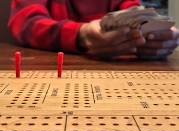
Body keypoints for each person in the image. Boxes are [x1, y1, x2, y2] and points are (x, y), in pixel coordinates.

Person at [8, 0, 179, 60]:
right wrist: (80, 34)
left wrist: (156, 37)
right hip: (48, 75)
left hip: (115, 78)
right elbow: (25, 21)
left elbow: (134, 12)